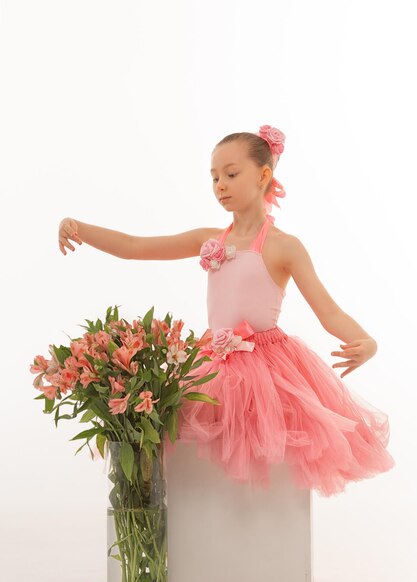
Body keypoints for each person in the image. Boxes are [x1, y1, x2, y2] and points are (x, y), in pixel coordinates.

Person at [58, 124, 395, 497]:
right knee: (200, 463)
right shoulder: (210, 239)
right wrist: (79, 228)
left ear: (264, 175)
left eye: (231, 174)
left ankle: (260, 535)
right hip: (214, 361)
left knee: (266, 467)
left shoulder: (285, 247)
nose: (220, 184)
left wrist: (365, 341)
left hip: (267, 368)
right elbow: (135, 246)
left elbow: (329, 312)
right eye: (215, 177)